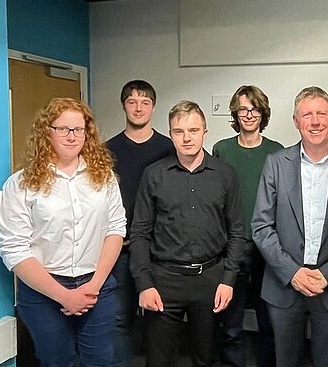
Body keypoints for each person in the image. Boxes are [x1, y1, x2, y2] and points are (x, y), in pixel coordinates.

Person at [252, 86, 328, 367]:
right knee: (284, 361)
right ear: (296, 121)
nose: (315, 121)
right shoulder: (276, 164)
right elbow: (261, 226)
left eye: (321, 114)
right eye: (307, 115)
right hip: (284, 286)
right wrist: (292, 272)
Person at [0, 98, 126, 366]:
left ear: (87, 133)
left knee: (101, 360)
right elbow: (14, 248)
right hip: (43, 293)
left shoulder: (104, 177)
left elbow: (115, 229)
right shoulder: (21, 184)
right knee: (58, 361)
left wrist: (93, 287)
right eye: (63, 129)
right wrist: (64, 295)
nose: (72, 136)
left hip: (97, 287)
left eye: (79, 129)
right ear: (47, 131)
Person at [129, 100, 246, 367]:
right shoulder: (154, 174)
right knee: (158, 359)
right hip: (163, 281)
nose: (187, 138)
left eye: (193, 130)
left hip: (210, 280)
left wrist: (228, 280)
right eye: (179, 131)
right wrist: (144, 284)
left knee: (205, 357)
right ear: (170, 135)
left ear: (205, 132)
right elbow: (140, 233)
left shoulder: (225, 174)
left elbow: (237, 230)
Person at [212, 85, 283, 367]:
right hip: (233, 246)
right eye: (243, 109)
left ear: (262, 113)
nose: (248, 115)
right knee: (231, 320)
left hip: (268, 247)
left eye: (254, 109)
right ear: (235, 113)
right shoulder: (222, 149)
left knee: (270, 318)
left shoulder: (276, 152)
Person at [106, 80, 174, 366]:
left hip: (159, 251)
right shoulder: (107, 150)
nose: (138, 107)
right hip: (120, 249)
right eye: (132, 101)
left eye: (145, 102)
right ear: (123, 105)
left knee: (160, 319)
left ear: (153, 107)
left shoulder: (168, 147)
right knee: (120, 318)